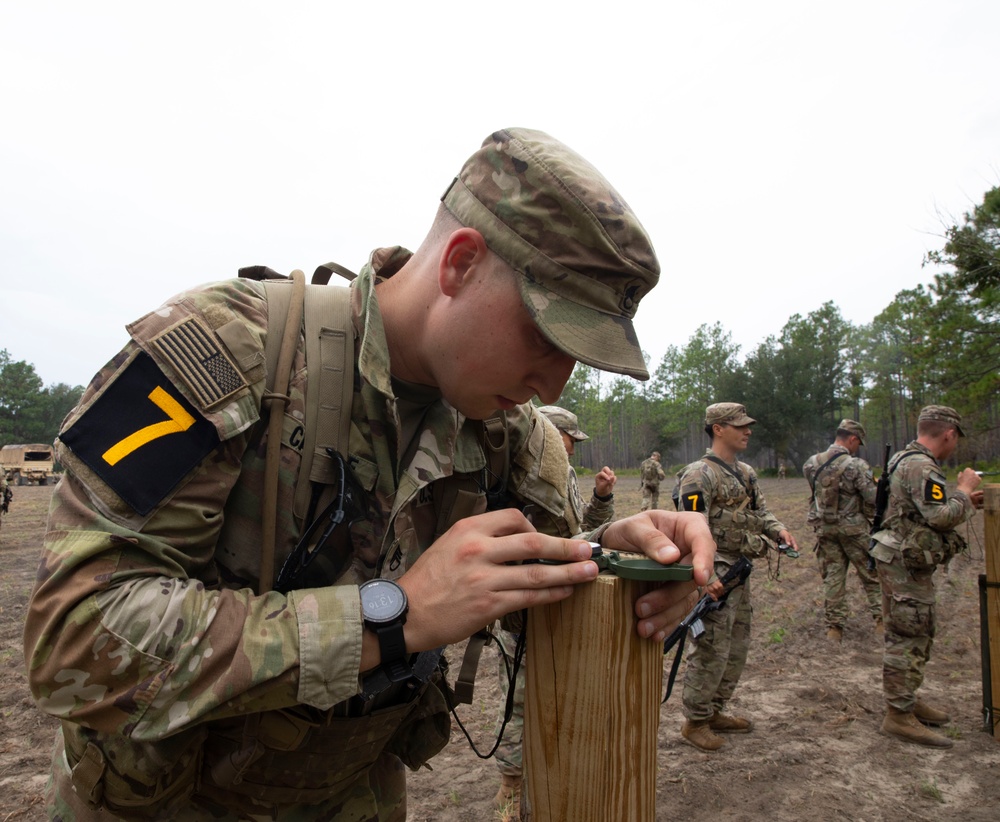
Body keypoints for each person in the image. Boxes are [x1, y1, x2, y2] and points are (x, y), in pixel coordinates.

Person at [23, 128, 715, 821]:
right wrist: (389, 618)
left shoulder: (517, 441)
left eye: (579, 357)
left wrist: (621, 566)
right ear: (461, 263)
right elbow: (75, 638)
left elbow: (536, 598)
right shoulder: (231, 356)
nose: (552, 381)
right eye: (546, 335)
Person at [493, 404, 616, 813]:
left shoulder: (563, 477)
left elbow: (577, 528)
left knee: (555, 695)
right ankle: (512, 781)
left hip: (558, 605)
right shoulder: (521, 480)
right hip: (524, 609)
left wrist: (601, 498)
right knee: (519, 698)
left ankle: (549, 769)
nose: (573, 450)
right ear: (545, 436)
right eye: (568, 441)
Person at [674, 402, 799, 751]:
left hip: (739, 573)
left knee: (736, 647)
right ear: (718, 429)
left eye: (748, 424)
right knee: (712, 647)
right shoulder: (699, 475)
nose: (747, 431)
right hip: (716, 577)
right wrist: (706, 574)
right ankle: (695, 721)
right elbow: (689, 527)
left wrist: (779, 531)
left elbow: (761, 511)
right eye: (739, 425)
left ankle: (714, 710)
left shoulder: (746, 472)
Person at [870, 405, 983, 748]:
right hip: (905, 564)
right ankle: (898, 716)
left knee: (914, 630)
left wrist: (964, 501)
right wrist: (963, 491)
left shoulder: (905, 459)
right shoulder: (922, 465)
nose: (954, 446)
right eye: (955, 440)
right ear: (948, 434)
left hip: (898, 558)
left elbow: (918, 509)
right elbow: (939, 517)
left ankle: (907, 698)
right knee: (910, 633)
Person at [802, 419, 882, 643]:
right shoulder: (857, 466)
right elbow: (872, 498)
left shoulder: (811, 463)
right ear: (852, 439)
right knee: (872, 575)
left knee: (833, 578)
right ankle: (881, 621)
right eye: (858, 443)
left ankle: (834, 628)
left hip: (825, 529)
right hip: (855, 529)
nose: (858, 447)